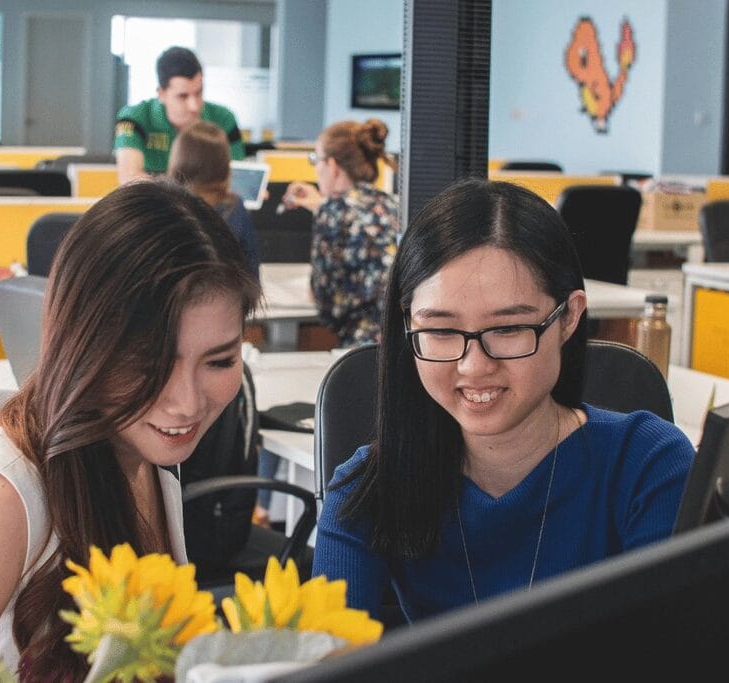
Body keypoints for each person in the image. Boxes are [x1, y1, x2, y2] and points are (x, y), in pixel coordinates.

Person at [0, 182, 260, 682]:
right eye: (149, 365)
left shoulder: (149, 467)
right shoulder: (4, 495)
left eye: (219, 360)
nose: (186, 402)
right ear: (85, 346)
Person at [311, 178, 694, 622]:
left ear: (569, 317)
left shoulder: (649, 464)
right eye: (440, 331)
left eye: (508, 329)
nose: (474, 366)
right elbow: (330, 658)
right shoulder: (365, 490)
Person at [280, 118, 399, 347]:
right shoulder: (388, 203)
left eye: (316, 159)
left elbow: (326, 306)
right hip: (402, 341)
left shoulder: (333, 211)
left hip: (365, 347)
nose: (315, 169)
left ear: (332, 166)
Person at [115, 46, 245, 185]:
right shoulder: (134, 118)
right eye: (183, 96)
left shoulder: (224, 118)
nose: (194, 106)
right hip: (153, 204)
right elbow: (129, 178)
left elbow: (236, 177)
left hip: (207, 205)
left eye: (198, 93)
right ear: (161, 94)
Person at [168, 120, 261, 281]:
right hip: (226, 300)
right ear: (223, 163)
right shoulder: (233, 208)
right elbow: (251, 271)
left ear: (178, 158)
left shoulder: (164, 206)